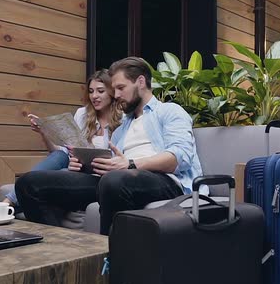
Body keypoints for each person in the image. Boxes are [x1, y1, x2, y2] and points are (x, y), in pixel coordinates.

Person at [15, 57, 204, 235]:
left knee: (114, 181)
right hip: (117, 180)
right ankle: (61, 253)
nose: (117, 95)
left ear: (140, 82)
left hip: (165, 181)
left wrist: (129, 164)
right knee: (29, 183)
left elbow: (180, 157)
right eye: (114, 89)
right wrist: (84, 166)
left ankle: (110, 259)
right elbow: (114, 164)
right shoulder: (122, 126)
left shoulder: (169, 111)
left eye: (121, 87)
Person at [2, 69, 122, 207]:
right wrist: (44, 133)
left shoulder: (123, 118)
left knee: (56, 175)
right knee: (60, 155)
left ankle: (7, 204)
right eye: (91, 91)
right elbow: (64, 151)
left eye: (100, 91)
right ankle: (8, 202)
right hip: (76, 166)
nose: (94, 96)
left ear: (112, 93)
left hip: (98, 173)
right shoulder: (82, 114)